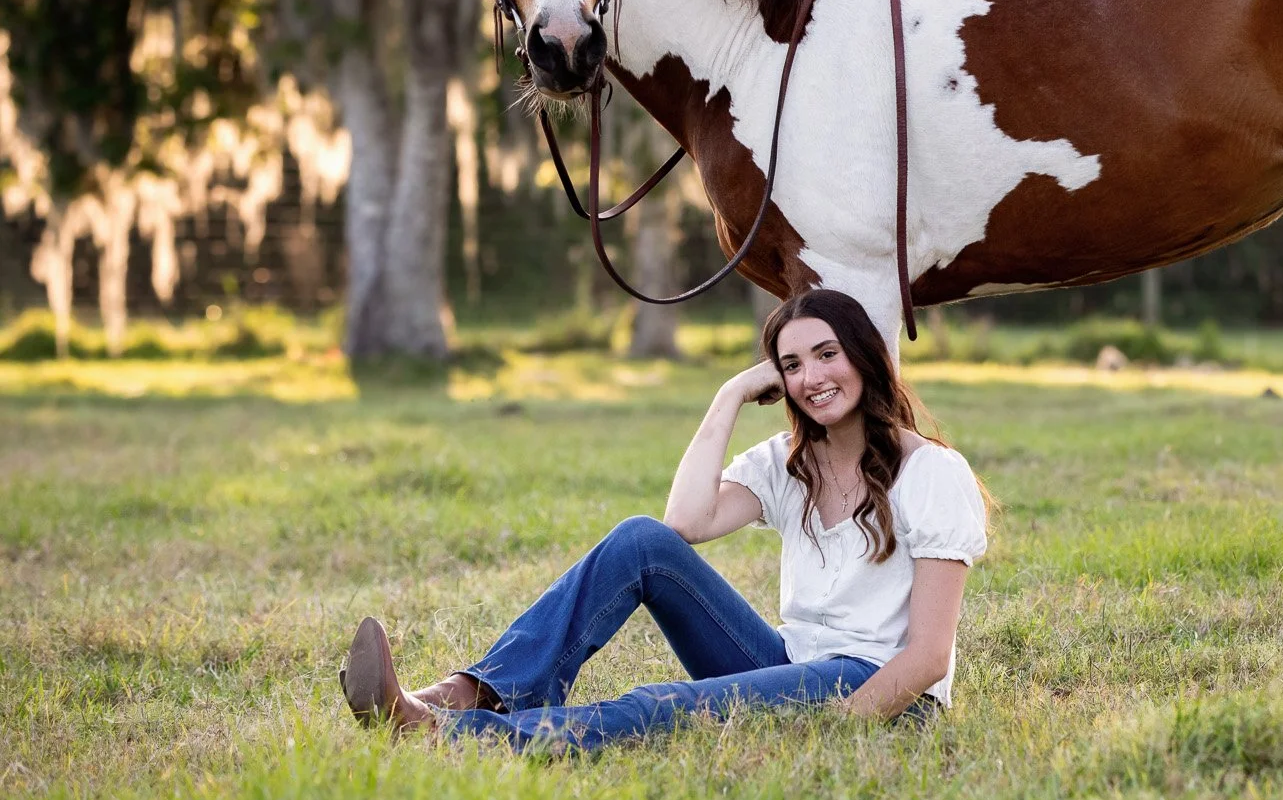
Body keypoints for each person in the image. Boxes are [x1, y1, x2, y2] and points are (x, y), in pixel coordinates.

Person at [337, 288, 988, 751]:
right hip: (790, 661)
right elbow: (683, 521)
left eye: (826, 354)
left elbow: (928, 656)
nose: (811, 377)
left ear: (865, 357)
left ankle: (450, 735)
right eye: (791, 365)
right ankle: (473, 690)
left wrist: (829, 729)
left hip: (875, 689)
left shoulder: (930, 472)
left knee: (657, 705)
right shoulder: (792, 464)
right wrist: (729, 393)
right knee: (640, 541)